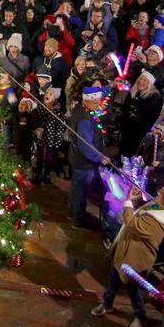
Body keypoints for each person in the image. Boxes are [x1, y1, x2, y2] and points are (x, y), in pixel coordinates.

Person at [92, 183, 164, 327]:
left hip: (136, 259)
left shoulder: (159, 221)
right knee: (113, 279)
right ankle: (107, 304)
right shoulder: (159, 206)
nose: (158, 191)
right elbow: (143, 211)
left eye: (162, 192)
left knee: (133, 289)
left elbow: (132, 224)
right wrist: (137, 199)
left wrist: (128, 201)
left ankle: (140, 316)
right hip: (125, 251)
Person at [67, 85, 110, 226]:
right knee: (80, 191)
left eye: (98, 101)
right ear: (87, 101)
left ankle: (73, 212)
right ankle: (78, 219)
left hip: (78, 159)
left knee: (76, 189)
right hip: (84, 162)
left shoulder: (81, 109)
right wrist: (100, 158)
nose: (98, 104)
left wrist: (112, 86)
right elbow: (86, 145)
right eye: (95, 102)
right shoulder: (85, 119)